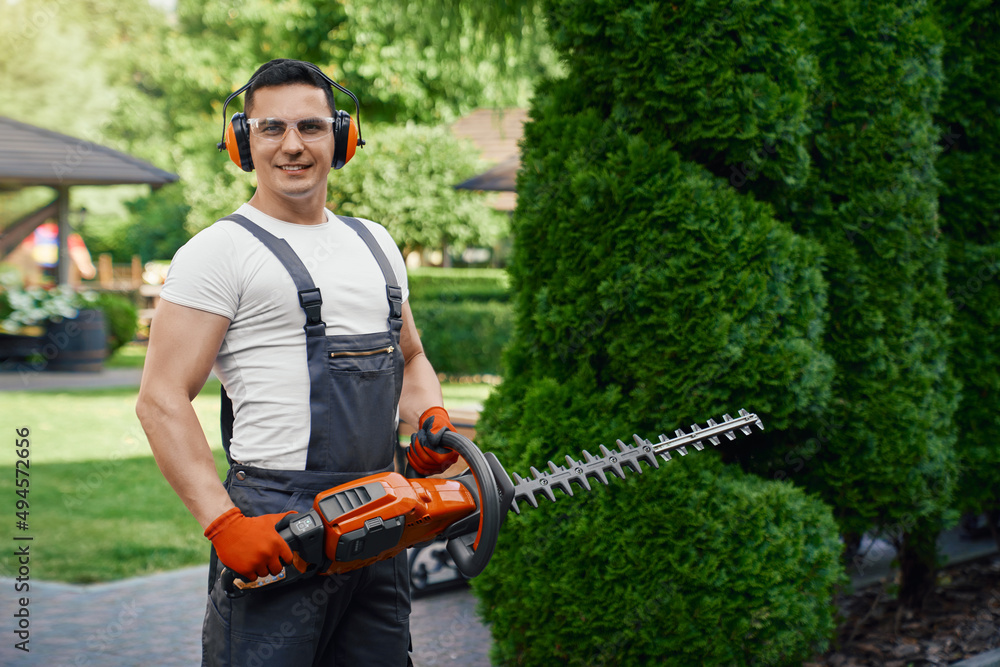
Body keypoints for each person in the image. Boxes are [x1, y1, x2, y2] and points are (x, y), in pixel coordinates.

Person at [136, 59, 461, 667]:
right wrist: (224, 524)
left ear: (341, 138)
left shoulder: (377, 244)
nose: (292, 145)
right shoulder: (218, 252)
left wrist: (429, 417)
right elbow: (160, 397)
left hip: (382, 519)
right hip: (279, 529)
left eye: (311, 127)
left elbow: (409, 357)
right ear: (242, 140)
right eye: (270, 129)